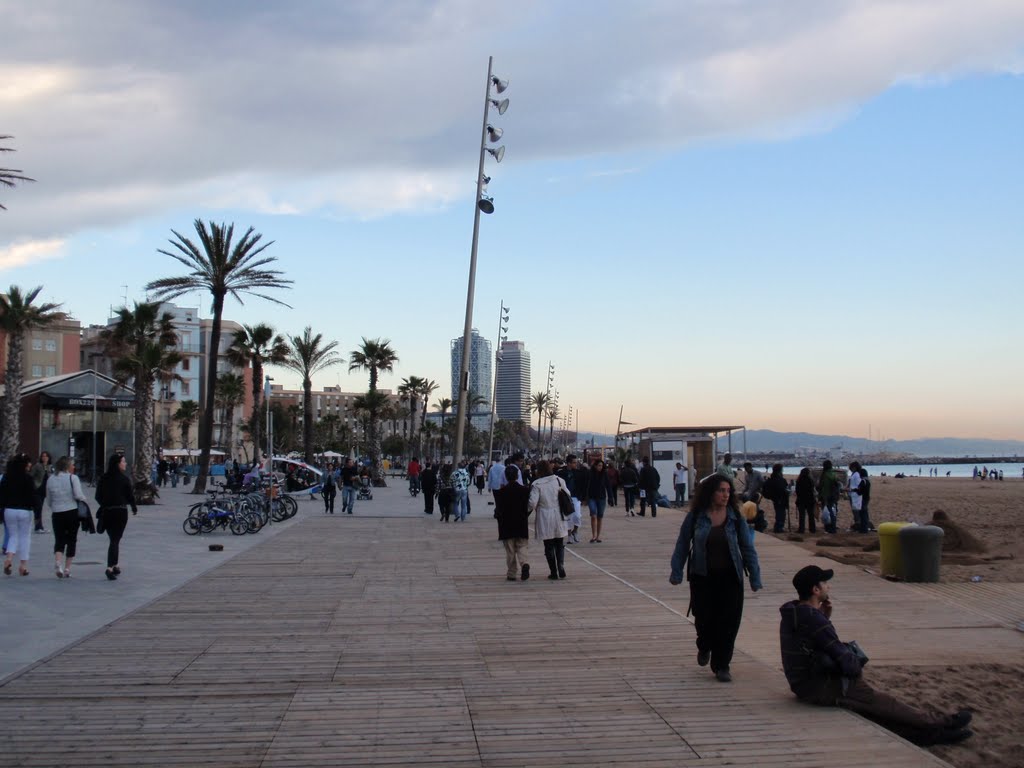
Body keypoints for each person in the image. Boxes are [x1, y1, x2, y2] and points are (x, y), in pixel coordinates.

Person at [780, 565, 973, 745]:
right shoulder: (814, 620)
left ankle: (926, 735)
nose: (828, 586)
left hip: (803, 683)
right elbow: (844, 659)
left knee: (869, 708)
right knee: (881, 701)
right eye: (824, 583)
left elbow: (811, 640)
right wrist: (856, 669)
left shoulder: (794, 613)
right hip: (818, 686)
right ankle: (942, 723)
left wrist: (824, 617)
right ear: (816, 590)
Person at [669, 474, 763, 682]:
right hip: (702, 577)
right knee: (703, 620)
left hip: (731, 577)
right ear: (711, 493)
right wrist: (676, 571)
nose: (726, 494)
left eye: (728, 491)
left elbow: (747, 547)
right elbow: (683, 544)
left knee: (729, 622)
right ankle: (704, 646)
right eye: (721, 490)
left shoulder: (735, 517)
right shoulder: (696, 516)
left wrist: (755, 577)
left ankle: (722, 665)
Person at [95, 453, 137, 581]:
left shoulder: (103, 478)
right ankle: (109, 567)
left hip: (107, 511)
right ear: (118, 464)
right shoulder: (124, 479)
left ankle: (115, 565)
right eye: (123, 461)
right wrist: (134, 507)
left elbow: (97, 496)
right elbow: (130, 496)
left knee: (113, 538)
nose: (126, 464)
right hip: (120, 511)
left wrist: (105, 504)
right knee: (115, 539)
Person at [46, 456, 89, 579]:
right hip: (71, 511)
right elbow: (78, 494)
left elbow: (48, 499)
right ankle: (67, 568)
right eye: (72, 465)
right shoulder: (73, 478)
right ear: (67, 466)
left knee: (59, 539)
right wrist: (85, 501)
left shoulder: (51, 479)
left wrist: (54, 506)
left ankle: (58, 563)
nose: (74, 467)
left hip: (57, 512)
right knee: (71, 539)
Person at [529, 460, 569, 580]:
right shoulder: (559, 480)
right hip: (559, 514)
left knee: (548, 544)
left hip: (544, 515)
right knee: (559, 543)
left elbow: (532, 503)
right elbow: (568, 494)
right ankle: (561, 565)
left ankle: (553, 572)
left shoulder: (537, 484)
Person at [494, 464, 531, 581]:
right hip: (521, 522)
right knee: (522, 545)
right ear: (517, 475)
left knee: (510, 550)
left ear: (505, 476)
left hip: (506, 524)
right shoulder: (525, 490)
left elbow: (498, 510)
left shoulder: (501, 492)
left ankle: (511, 573)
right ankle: (524, 563)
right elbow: (529, 506)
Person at [2, 454, 37, 576]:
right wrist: (36, 511)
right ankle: (23, 566)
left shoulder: (7, 477)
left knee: (12, 536)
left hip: (9, 510)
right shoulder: (28, 478)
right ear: (24, 464)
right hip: (24, 511)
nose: (30, 465)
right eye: (28, 463)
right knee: (25, 537)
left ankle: (9, 558)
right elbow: (33, 496)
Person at [557, 454, 588, 543]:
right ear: (568, 463)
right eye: (574, 463)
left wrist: (584, 497)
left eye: (576, 462)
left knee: (577, 516)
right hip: (565, 497)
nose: (576, 464)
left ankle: (575, 531)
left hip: (576, 497)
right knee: (568, 517)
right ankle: (569, 534)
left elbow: (583, 485)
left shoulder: (579, 473)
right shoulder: (561, 473)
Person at [762, 463, 789, 534]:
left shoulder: (773, 477)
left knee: (779, 513)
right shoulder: (778, 479)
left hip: (776, 498)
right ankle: (779, 527)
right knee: (780, 513)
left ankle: (778, 526)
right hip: (780, 498)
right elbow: (781, 488)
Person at [586, 458, 609, 543]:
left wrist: (610, 497)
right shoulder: (590, 474)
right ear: (595, 466)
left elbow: (608, 485)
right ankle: (593, 535)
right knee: (593, 515)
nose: (600, 467)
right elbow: (586, 485)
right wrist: (585, 497)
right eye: (599, 465)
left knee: (600, 516)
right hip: (592, 497)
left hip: (601, 498)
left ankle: (598, 536)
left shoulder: (604, 474)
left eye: (602, 466)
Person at [31, 450, 53, 533]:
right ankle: (38, 527)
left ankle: (39, 526)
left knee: (40, 508)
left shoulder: (50, 466)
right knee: (38, 508)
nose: (44, 458)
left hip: (45, 490)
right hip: (37, 489)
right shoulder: (37, 466)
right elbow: (31, 475)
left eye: (46, 456)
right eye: (43, 456)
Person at [817, 460, 841, 534]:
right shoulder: (834, 474)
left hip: (827, 496)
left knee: (827, 512)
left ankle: (829, 528)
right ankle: (833, 527)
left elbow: (824, 487)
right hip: (834, 496)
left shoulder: (825, 475)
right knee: (833, 512)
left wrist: (822, 497)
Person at [794, 467, 817, 534]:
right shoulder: (810, 480)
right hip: (810, 499)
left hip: (801, 499)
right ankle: (812, 529)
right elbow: (812, 490)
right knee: (811, 515)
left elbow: (797, 491)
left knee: (802, 515)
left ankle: (801, 529)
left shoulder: (799, 480)